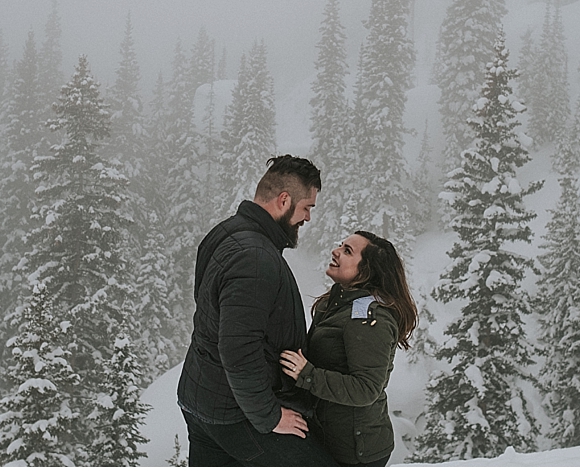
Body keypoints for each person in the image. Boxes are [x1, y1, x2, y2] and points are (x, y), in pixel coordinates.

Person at [177, 155, 337, 466]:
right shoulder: (254, 257)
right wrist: (270, 416)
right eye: (307, 208)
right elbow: (237, 346)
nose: (307, 218)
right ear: (284, 200)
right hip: (238, 414)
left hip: (202, 398)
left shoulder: (225, 232)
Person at [280, 231, 418, 466]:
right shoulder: (335, 303)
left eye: (347, 251)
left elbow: (366, 389)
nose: (336, 251)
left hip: (356, 452)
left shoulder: (369, 319)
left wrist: (308, 375)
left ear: (366, 271)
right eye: (341, 246)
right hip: (330, 436)